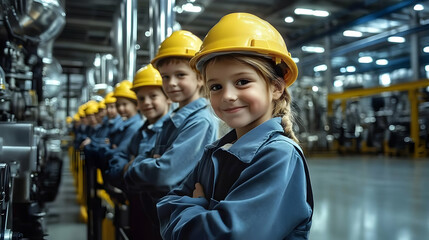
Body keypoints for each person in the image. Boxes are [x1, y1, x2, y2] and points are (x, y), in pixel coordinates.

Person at [157, 12, 313, 240]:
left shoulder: (278, 155)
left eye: (242, 82)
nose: (228, 96)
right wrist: (199, 215)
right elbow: (167, 203)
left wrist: (194, 205)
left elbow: (223, 235)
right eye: (216, 87)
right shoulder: (217, 151)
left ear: (276, 87)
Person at [123, 30, 219, 239]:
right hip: (159, 215)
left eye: (180, 75)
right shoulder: (175, 119)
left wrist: (133, 167)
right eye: (165, 77)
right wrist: (149, 161)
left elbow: (164, 174)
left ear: (200, 78)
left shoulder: (200, 121)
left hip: (175, 220)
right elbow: (154, 161)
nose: (171, 83)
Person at [107, 64, 171, 239]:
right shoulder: (140, 132)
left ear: (168, 97)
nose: (146, 103)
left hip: (159, 214)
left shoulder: (171, 132)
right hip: (137, 205)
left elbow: (159, 176)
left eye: (153, 96)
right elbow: (117, 161)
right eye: (141, 98)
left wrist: (131, 164)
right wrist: (138, 165)